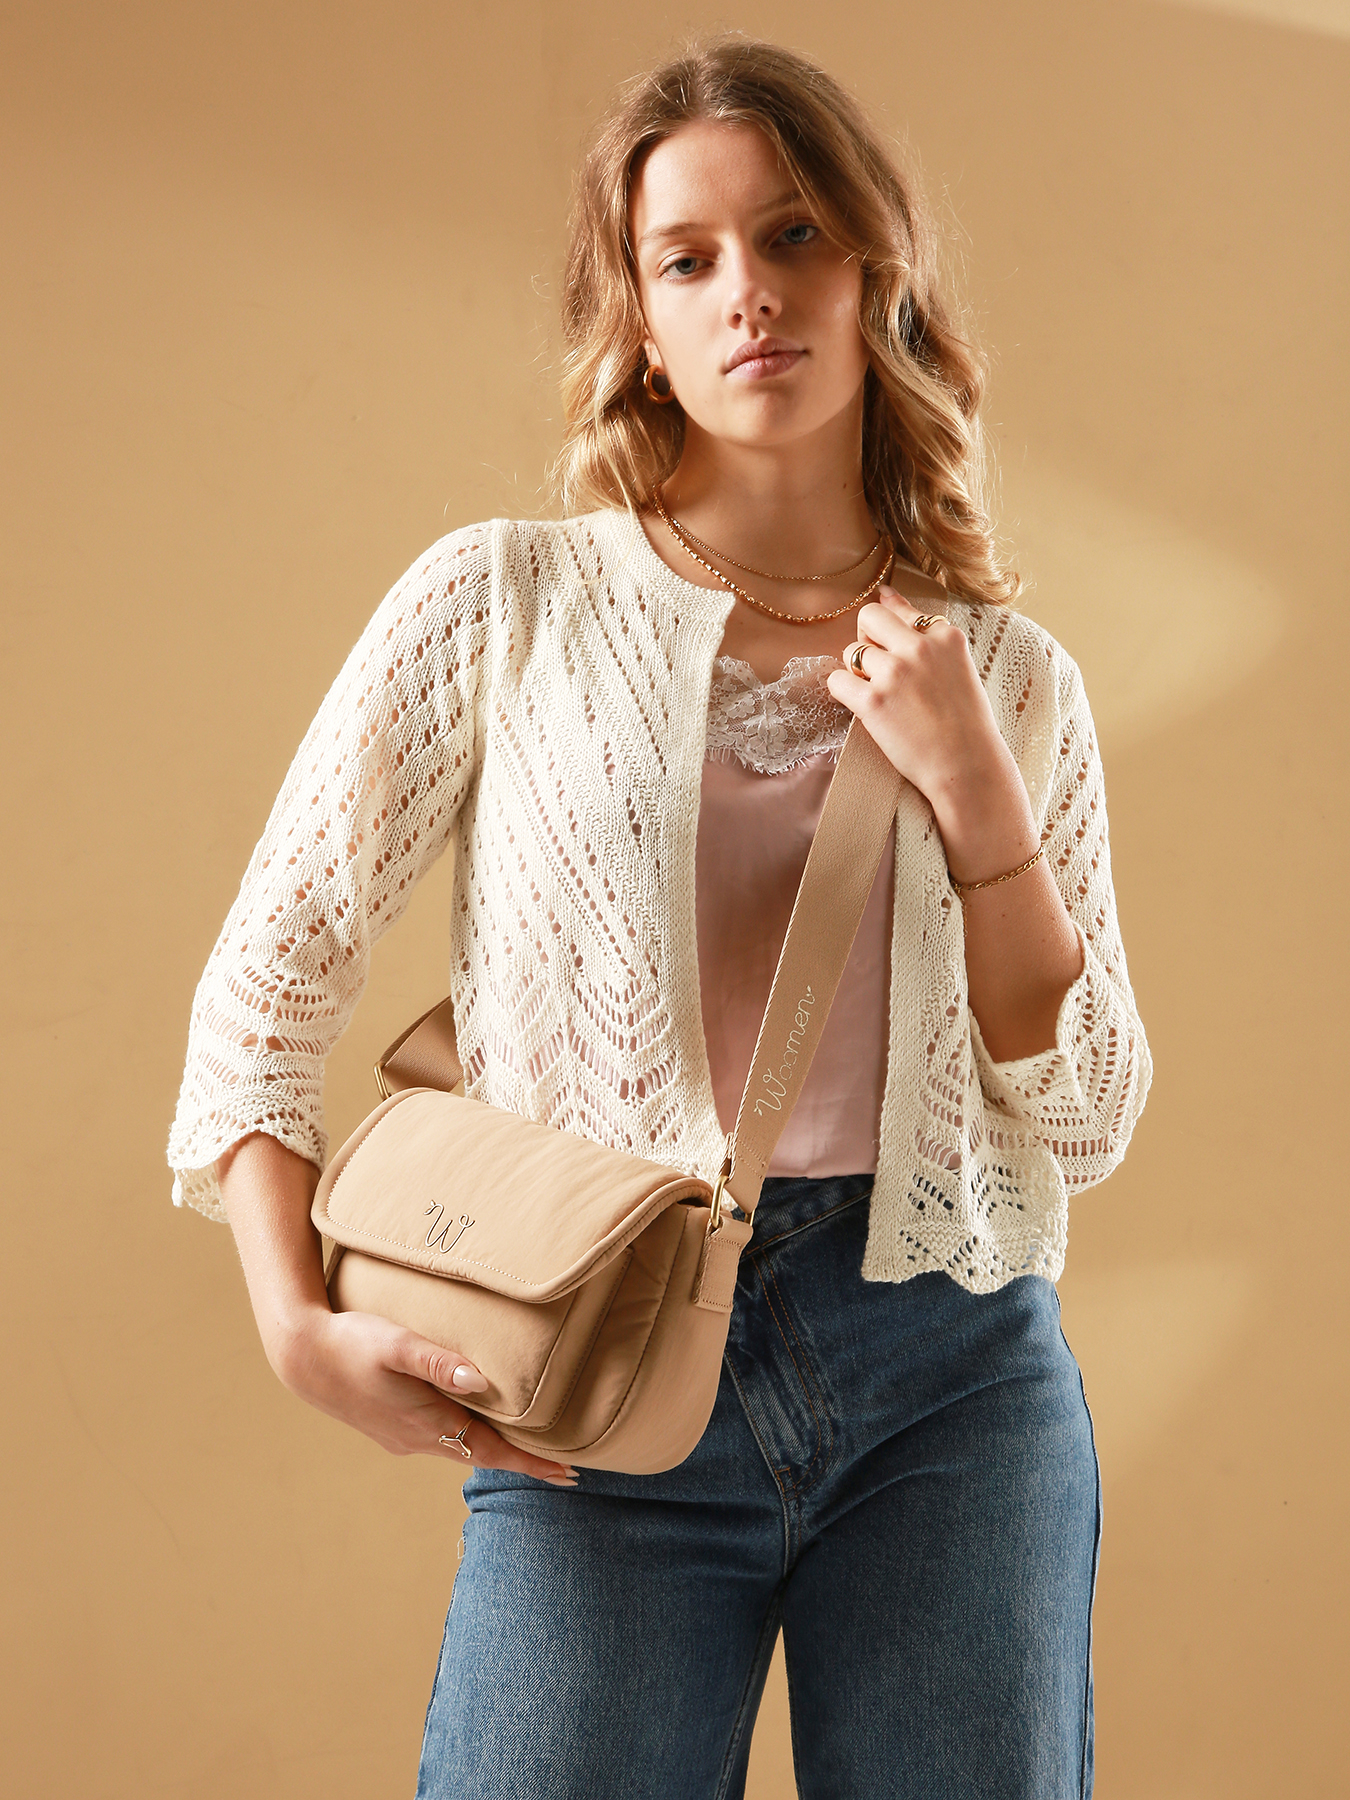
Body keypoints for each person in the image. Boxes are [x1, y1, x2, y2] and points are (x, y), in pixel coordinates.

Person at [168, 35, 1150, 1800]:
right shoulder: (502, 604)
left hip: (951, 1370)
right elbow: (266, 983)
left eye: (790, 236)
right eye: (684, 259)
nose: (746, 293)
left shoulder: (1007, 676)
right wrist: (293, 1323)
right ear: (633, 320)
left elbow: (1081, 1109)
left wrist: (979, 798)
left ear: (874, 269)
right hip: (586, 1343)